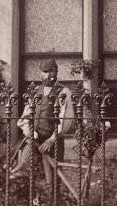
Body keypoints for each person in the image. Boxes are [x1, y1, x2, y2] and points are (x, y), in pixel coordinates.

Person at [10, 58, 74, 192]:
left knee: (52, 182)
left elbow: (65, 120)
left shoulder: (63, 92)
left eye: (50, 71)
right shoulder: (35, 92)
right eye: (44, 72)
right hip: (35, 139)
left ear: (56, 72)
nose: (47, 75)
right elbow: (26, 116)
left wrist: (51, 141)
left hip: (52, 142)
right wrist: (30, 132)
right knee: (21, 168)